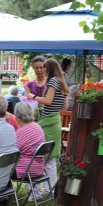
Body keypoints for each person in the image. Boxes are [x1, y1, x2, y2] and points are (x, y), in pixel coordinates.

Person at [37, 58, 68, 193]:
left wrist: (34, 97)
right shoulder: (62, 82)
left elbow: (48, 101)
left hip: (48, 122)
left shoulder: (53, 81)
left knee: (40, 156)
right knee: (51, 158)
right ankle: (51, 189)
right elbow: (65, 106)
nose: (42, 70)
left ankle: (38, 190)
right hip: (56, 120)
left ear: (48, 68)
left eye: (44, 67)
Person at [13, 101, 46, 198]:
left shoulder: (22, 131)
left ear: (18, 116)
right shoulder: (37, 127)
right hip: (38, 168)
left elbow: (12, 153)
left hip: (25, 170)